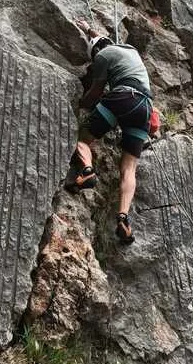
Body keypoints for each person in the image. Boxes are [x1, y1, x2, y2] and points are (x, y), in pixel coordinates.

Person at [65, 19, 152, 244]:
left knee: (83, 139)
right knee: (129, 168)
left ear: (95, 53)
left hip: (123, 97)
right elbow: (101, 39)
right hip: (145, 108)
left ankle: (87, 171)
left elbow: (95, 93)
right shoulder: (129, 50)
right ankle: (123, 218)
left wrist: (78, 104)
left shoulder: (102, 57)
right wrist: (87, 29)